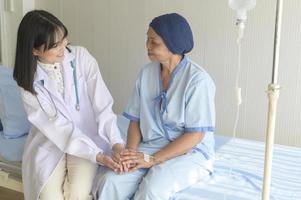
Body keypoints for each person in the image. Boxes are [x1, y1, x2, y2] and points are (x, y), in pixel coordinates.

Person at [95, 13, 216, 200]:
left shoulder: (198, 80)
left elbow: (195, 135)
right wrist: (132, 154)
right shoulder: (146, 73)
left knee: (152, 188)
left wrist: (153, 160)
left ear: (173, 43)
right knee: (109, 182)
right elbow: (135, 120)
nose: (147, 46)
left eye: (154, 42)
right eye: (147, 40)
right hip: (152, 145)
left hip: (190, 152)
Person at [13, 10, 125, 200]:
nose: (63, 48)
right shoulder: (27, 82)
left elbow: (102, 105)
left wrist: (116, 143)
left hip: (88, 141)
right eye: (55, 45)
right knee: (48, 197)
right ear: (35, 50)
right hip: (51, 141)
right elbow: (55, 125)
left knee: (78, 195)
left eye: (64, 40)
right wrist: (98, 156)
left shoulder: (81, 57)